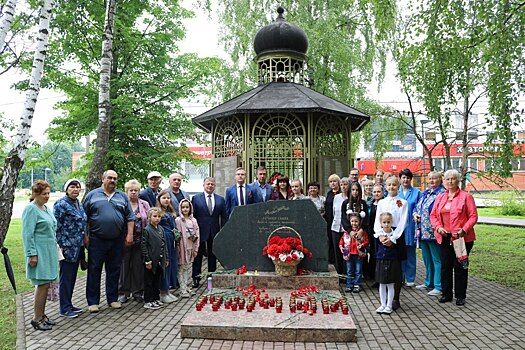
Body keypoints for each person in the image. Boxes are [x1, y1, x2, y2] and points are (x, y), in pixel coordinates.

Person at [83, 170, 135, 313]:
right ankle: (93, 302)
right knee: (94, 270)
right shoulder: (92, 195)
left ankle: (112, 299)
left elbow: (130, 217)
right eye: (110, 178)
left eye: (115, 178)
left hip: (117, 239)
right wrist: (85, 236)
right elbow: (83, 218)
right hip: (97, 239)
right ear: (103, 179)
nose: (112, 180)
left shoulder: (122, 196)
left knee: (114, 270)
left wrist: (129, 235)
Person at [430, 169, 478, 306]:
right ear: (444, 181)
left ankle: (460, 296)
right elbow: (433, 215)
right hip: (444, 237)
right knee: (445, 266)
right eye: (447, 179)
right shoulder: (440, 197)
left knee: (460, 267)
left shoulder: (466, 197)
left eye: (453, 179)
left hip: (461, 238)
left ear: (458, 180)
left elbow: (473, 216)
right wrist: (438, 227)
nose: (450, 181)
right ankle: (446, 294)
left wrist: (464, 230)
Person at [22, 180, 58, 330]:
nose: (47, 196)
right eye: (44, 194)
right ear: (36, 193)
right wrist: (32, 254)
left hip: (49, 251)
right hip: (39, 252)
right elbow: (27, 234)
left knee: (47, 284)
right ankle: (36, 319)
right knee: (42, 285)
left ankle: (42, 315)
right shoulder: (31, 209)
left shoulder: (46, 208)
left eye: (49, 193)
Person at [374, 175, 408, 311]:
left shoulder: (402, 202)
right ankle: (384, 301)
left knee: (396, 269)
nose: (391, 187)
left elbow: (402, 222)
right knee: (383, 268)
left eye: (394, 185)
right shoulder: (382, 202)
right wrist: (381, 235)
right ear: (385, 187)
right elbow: (377, 220)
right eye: (389, 185)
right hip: (383, 235)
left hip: (396, 236)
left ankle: (395, 299)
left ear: (398, 186)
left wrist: (393, 238)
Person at [54, 178, 87, 318]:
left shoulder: (78, 203)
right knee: (66, 277)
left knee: (72, 276)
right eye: (72, 187)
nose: (75, 189)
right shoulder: (61, 204)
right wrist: (59, 244)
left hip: (78, 246)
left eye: (77, 187)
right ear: (66, 189)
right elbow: (56, 225)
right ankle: (64, 308)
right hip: (67, 247)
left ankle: (69, 303)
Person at [413, 171, 446, 297]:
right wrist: (415, 214)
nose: (431, 180)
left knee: (437, 259)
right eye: (430, 178)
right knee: (427, 259)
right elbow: (417, 207)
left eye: (434, 178)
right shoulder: (426, 193)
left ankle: (438, 286)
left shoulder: (442, 194)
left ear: (440, 179)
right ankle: (429, 282)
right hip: (422, 231)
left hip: (434, 232)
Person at [118, 179, 150, 304]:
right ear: (127, 192)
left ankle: (138, 292)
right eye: (131, 190)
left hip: (140, 240)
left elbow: (148, 220)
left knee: (138, 267)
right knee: (124, 266)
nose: (133, 193)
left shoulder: (144, 204)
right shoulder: (122, 204)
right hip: (125, 240)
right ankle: (123, 292)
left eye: (136, 190)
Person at [191, 177, 227, 288]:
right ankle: (196, 278)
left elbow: (224, 217)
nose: (210, 186)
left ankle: (211, 276)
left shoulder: (220, 199)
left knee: (212, 255)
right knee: (198, 256)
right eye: (208, 184)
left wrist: (222, 231)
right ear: (203, 185)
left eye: (212, 184)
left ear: (214, 186)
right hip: (200, 231)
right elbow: (193, 216)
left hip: (214, 231)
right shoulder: (196, 199)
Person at [398, 169, 422, 287]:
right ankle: (400, 276)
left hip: (411, 227)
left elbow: (420, 208)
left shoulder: (417, 193)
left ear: (410, 179)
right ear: (400, 179)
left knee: (410, 254)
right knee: (400, 254)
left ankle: (410, 278)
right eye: (403, 177)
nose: (405, 180)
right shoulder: (396, 193)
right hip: (399, 228)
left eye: (407, 177)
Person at [374, 212, 401, 315]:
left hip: (391, 260)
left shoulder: (395, 235)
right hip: (381, 259)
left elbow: (397, 248)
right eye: (384, 222)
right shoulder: (379, 235)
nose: (386, 224)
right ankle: (382, 304)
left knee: (390, 284)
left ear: (391, 222)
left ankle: (389, 305)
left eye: (388, 222)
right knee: (382, 283)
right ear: (380, 223)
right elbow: (376, 247)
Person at [141, 207, 168, 310]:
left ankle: (156, 298)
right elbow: (144, 246)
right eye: (155, 216)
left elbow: (164, 244)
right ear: (149, 217)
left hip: (160, 260)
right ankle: (148, 300)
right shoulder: (147, 230)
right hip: (151, 260)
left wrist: (166, 258)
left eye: (159, 216)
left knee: (157, 280)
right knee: (149, 281)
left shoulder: (161, 229)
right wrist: (147, 260)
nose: (157, 218)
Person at [156, 189, 179, 304]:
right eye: (164, 198)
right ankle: (162, 292)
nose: (166, 200)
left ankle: (168, 290)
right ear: (159, 199)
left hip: (172, 241)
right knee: (165, 264)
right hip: (164, 241)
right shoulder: (158, 212)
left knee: (171, 265)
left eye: (168, 198)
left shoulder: (170, 212)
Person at [176, 199, 200, 298]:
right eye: (183, 207)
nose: (185, 209)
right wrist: (178, 247)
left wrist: (196, 248)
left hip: (190, 248)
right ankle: (182, 289)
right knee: (181, 268)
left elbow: (197, 234)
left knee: (187, 268)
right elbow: (177, 235)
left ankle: (186, 287)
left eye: (187, 207)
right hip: (182, 248)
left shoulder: (193, 220)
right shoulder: (178, 220)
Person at [340, 212, 369, 293]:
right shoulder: (347, 232)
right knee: (349, 270)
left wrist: (362, 244)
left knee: (358, 270)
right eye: (352, 221)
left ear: (359, 221)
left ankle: (357, 284)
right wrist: (341, 246)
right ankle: (349, 285)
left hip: (358, 253)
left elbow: (366, 240)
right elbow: (342, 241)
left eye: (356, 221)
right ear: (349, 222)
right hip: (348, 252)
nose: (354, 223)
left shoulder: (362, 232)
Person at [364, 184, 384, 284]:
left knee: (379, 255)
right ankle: (372, 275)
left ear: (383, 193)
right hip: (371, 232)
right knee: (372, 254)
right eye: (375, 192)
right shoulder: (370, 204)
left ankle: (379, 277)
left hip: (381, 233)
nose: (376, 194)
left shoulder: (384, 203)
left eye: (378, 192)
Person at [331, 177, 349, 279]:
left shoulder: (350, 198)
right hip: (335, 227)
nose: (343, 186)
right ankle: (339, 273)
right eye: (341, 184)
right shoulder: (336, 197)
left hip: (346, 230)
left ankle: (347, 273)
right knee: (337, 251)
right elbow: (334, 212)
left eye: (345, 184)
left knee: (346, 251)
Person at [325, 174, 341, 265]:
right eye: (331, 182)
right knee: (330, 241)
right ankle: (331, 260)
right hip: (329, 221)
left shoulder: (340, 193)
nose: (333, 183)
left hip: (338, 221)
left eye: (334, 181)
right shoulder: (329, 194)